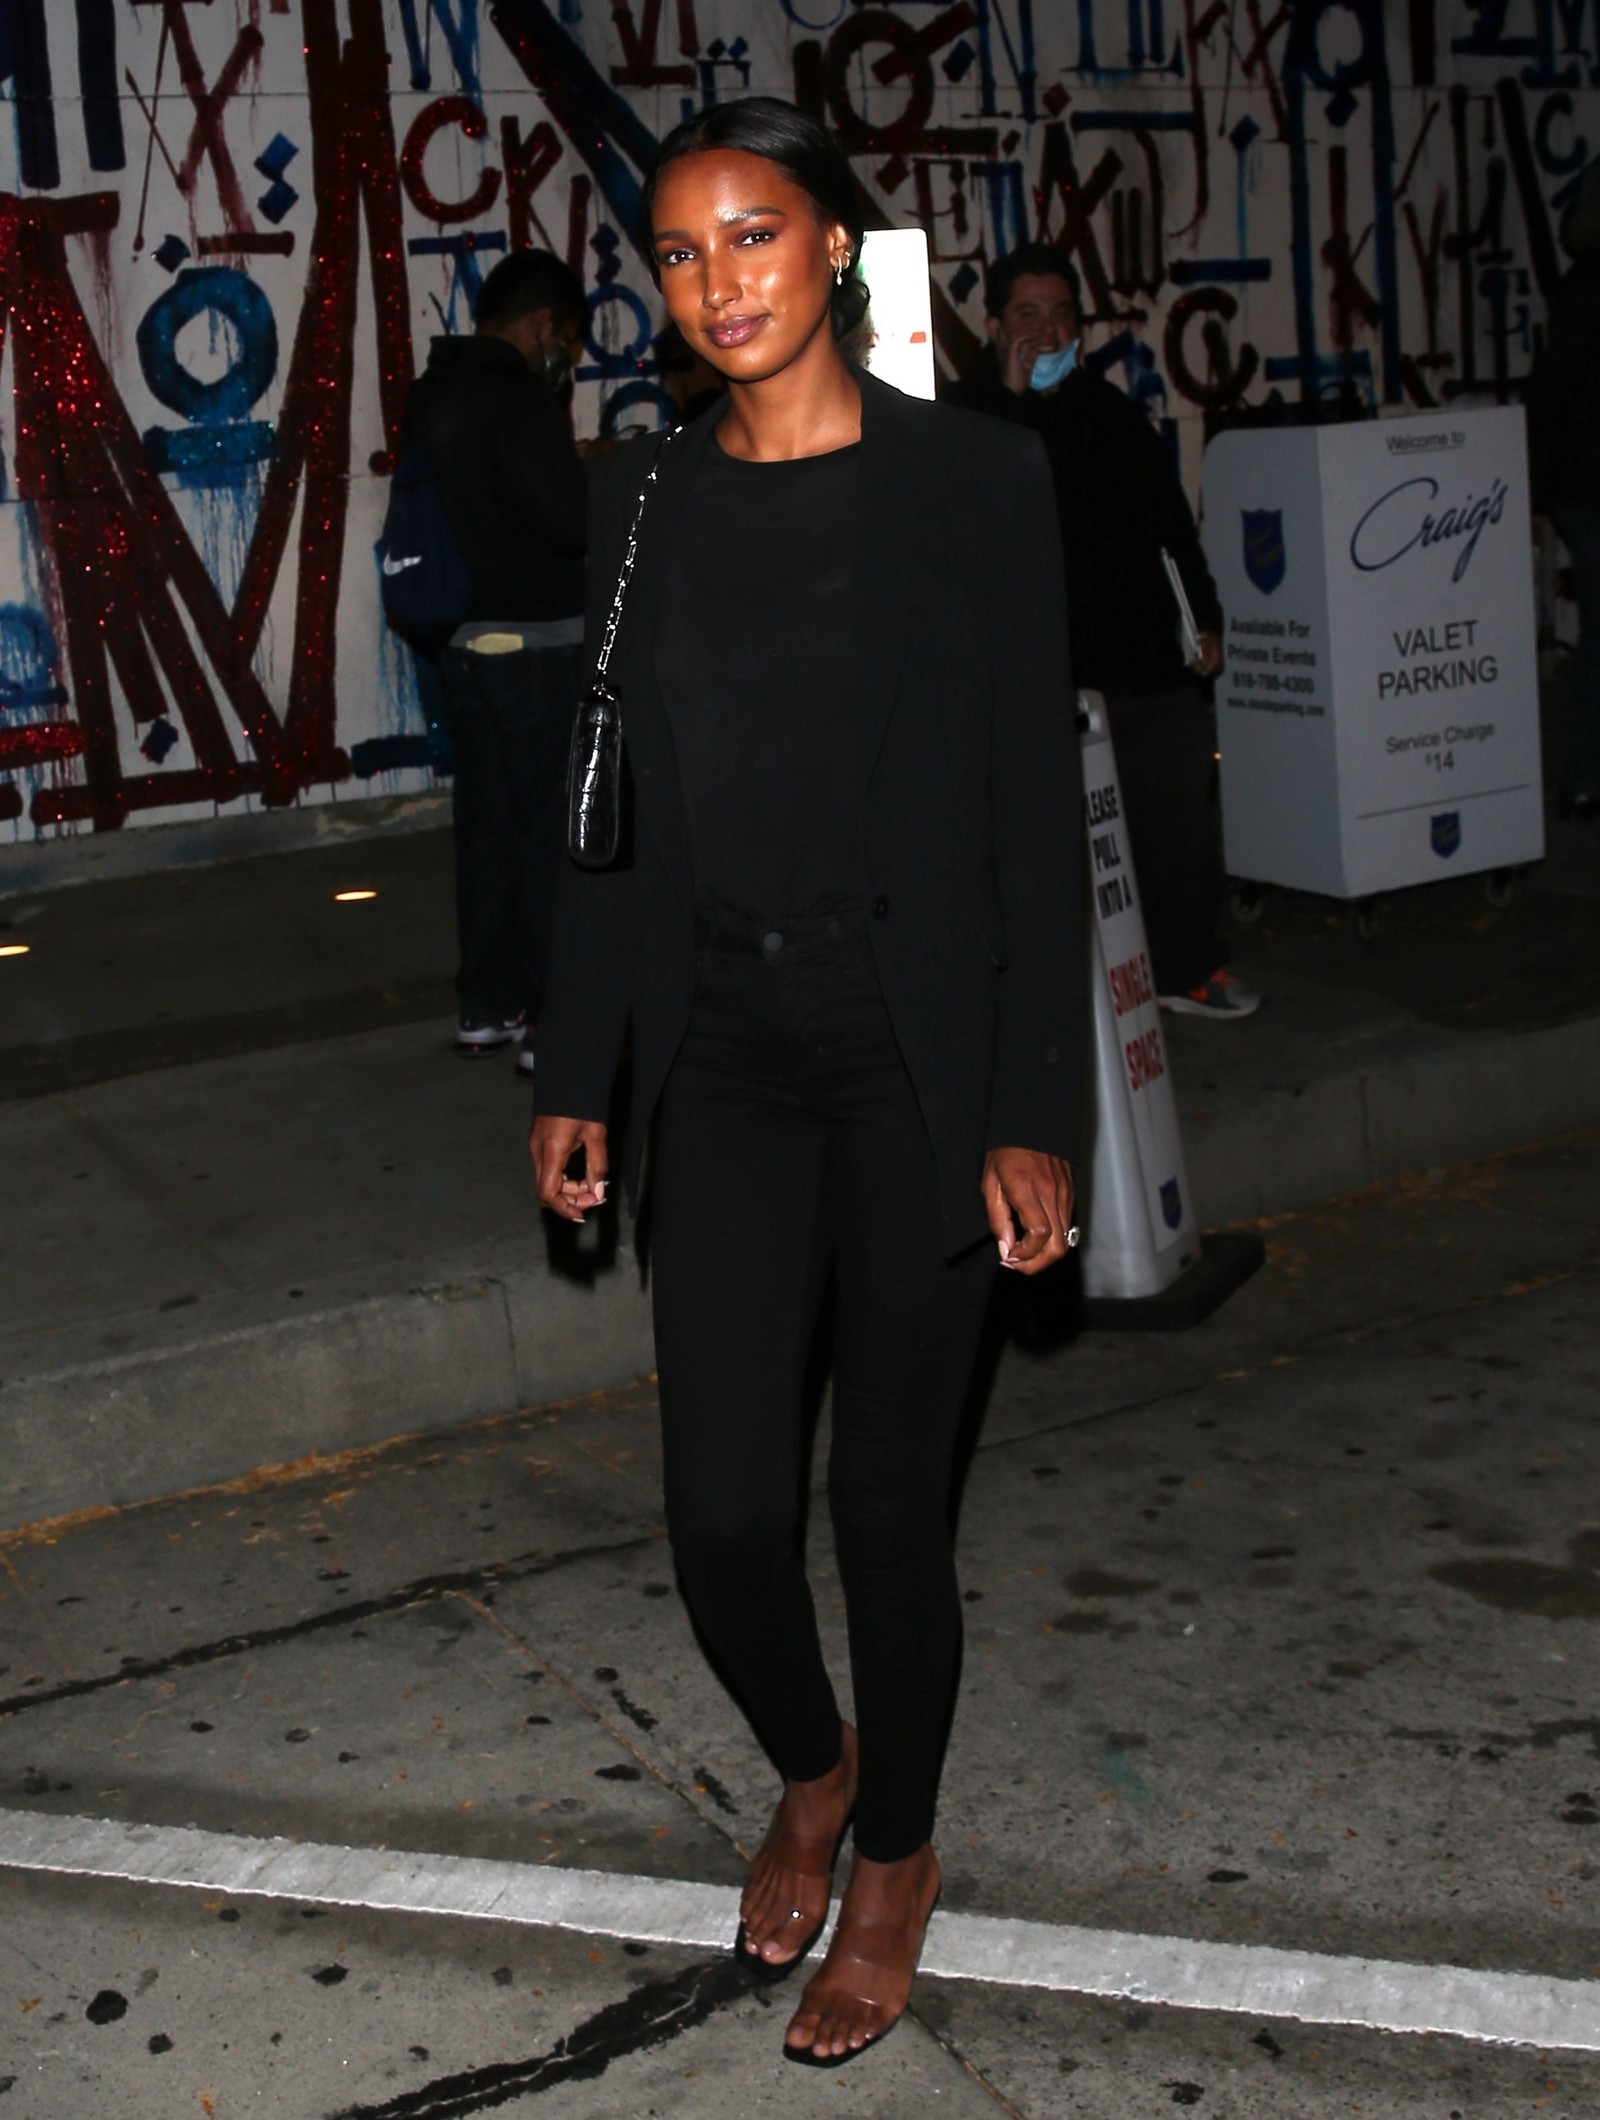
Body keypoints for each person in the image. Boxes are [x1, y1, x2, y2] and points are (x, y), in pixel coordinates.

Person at [529, 98, 1085, 2066]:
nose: (717, 284)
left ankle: (895, 1858)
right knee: (720, 1524)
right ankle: (815, 1761)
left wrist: (1034, 1104)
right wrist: (579, 1061)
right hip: (729, 1057)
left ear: (834, 245)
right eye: (679, 255)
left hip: (912, 1056)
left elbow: (1031, 810)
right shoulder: (639, 501)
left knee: (884, 1512)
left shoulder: (976, 480)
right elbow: (605, 813)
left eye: (752, 236)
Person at [946, 245, 1260, 1019]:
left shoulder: (1112, 414)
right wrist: (1014, 397)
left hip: (1139, 661)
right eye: (1028, 314)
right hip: (1033, 674)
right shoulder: (964, 417)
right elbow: (977, 513)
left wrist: (1203, 619)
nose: (1047, 331)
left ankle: (1185, 968)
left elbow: (1170, 529)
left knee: (1176, 815)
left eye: (1061, 314)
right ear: (994, 326)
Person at [403, 249, 590, 1075]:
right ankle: (552, 1019)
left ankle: (488, 1004)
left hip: (463, 648)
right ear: (544, 323)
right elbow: (565, 519)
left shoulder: (434, 390)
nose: (568, 357)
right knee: (550, 835)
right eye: (569, 340)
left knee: (487, 832)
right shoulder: (519, 397)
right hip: (537, 649)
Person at [1528, 162, 1600, 823]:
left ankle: (1584, 777)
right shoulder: (1586, 293)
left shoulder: (1580, 289)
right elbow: (1553, 395)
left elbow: (1549, 394)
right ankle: (1583, 776)